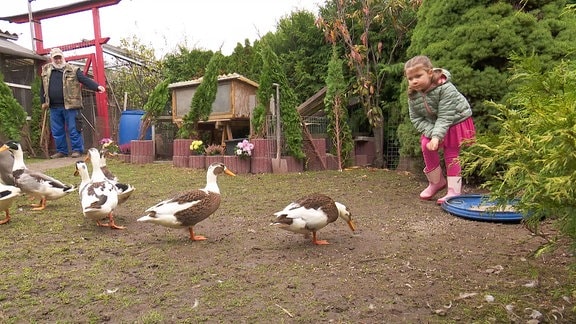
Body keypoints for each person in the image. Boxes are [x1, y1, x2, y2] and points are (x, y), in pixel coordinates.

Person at [404, 55, 476, 204]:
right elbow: (417, 119)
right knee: (426, 145)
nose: (414, 81)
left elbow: (445, 116)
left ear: (430, 73)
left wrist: (437, 137)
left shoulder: (445, 88)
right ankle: (436, 182)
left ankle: (454, 191)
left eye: (418, 76)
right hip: (435, 124)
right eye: (410, 78)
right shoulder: (413, 94)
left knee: (451, 153)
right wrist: (432, 134)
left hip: (455, 121)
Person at [41, 47, 106, 159]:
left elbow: (84, 80)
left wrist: (96, 87)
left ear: (63, 57)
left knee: (74, 128)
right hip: (53, 107)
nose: (58, 60)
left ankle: (77, 150)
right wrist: (43, 101)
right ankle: (62, 151)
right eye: (55, 58)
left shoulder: (73, 69)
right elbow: (42, 87)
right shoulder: (46, 71)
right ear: (52, 59)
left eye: (59, 57)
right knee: (57, 131)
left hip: (71, 105)